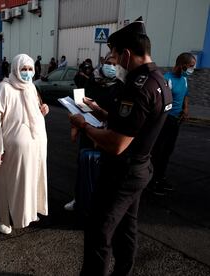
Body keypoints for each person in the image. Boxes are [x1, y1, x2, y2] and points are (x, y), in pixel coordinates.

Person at [68, 17, 172, 275]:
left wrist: (83, 125)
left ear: (126, 54)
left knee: (98, 232)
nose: (112, 61)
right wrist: (98, 110)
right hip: (140, 167)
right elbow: (129, 125)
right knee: (127, 227)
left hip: (122, 173)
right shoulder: (159, 80)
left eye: (113, 55)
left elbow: (117, 143)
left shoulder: (137, 87)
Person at [0, 54, 50, 235]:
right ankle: (3, 218)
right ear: (15, 68)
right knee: (6, 184)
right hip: (10, 150)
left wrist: (43, 110)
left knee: (28, 183)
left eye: (30, 69)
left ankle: (27, 212)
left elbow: (33, 113)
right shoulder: (4, 89)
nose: (27, 73)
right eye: (24, 69)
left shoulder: (31, 87)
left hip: (34, 148)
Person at [64, 53, 120, 212]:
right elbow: (80, 104)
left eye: (115, 65)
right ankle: (79, 199)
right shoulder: (92, 81)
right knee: (83, 163)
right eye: (109, 63)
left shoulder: (120, 86)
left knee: (104, 169)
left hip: (108, 133)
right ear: (103, 63)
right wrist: (75, 125)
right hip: (87, 129)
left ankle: (100, 204)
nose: (111, 67)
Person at [149, 52, 196, 195]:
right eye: (190, 66)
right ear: (182, 65)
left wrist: (185, 109)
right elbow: (160, 102)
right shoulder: (166, 80)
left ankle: (160, 177)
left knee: (168, 151)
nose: (191, 70)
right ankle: (152, 181)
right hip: (165, 120)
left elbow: (186, 94)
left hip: (176, 121)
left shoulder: (184, 80)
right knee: (158, 151)